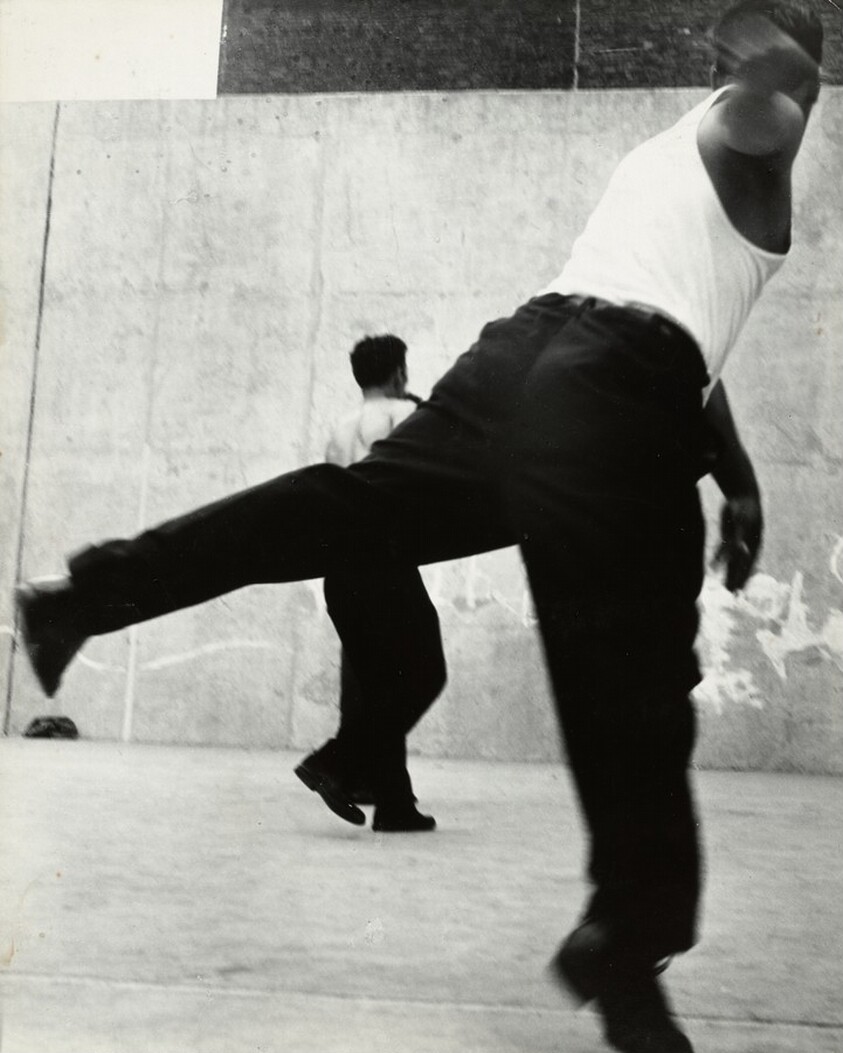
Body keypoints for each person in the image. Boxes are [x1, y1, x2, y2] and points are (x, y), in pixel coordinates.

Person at [14, 4, 823, 1049]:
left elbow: (681, 340)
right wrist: (781, 64)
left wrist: (739, 475)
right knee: (635, 679)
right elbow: (745, 158)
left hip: (522, 354)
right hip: (616, 385)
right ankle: (627, 945)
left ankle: (81, 597)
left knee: (340, 510)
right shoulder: (762, 135)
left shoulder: (666, 160)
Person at [294, 333, 437, 832]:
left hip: (343, 567)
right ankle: (338, 761)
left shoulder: (339, 428)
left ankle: (393, 802)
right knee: (425, 672)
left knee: (375, 683)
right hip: (386, 562)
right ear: (399, 373)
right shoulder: (408, 415)